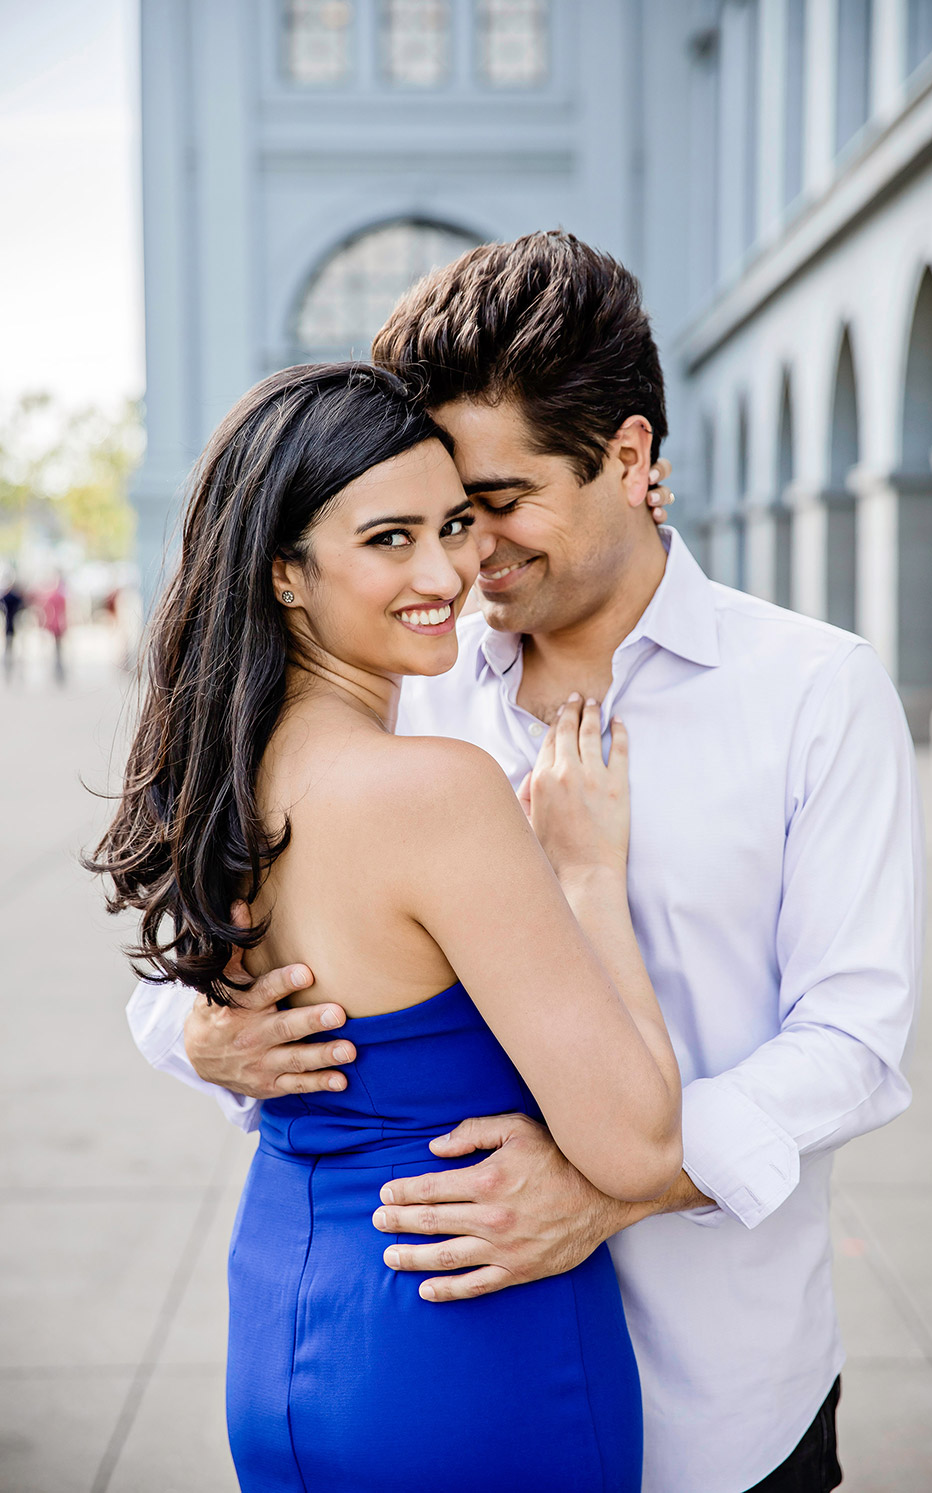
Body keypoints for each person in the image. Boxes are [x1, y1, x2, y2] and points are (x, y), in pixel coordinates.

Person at [126, 230, 922, 1493]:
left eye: (489, 508)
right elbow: (193, 971)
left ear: (628, 456)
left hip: (723, 1390)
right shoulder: (409, 676)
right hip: (454, 1351)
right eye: (429, 519)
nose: (462, 559)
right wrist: (205, 1035)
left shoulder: (811, 688)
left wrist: (619, 1186)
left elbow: (856, 1035)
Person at [92, 362, 685, 1492]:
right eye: (388, 538)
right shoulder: (431, 791)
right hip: (467, 1336)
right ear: (285, 573)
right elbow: (638, 1143)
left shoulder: (216, 780)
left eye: (455, 524)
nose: (445, 572)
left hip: (287, 1311)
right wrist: (588, 872)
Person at [39, 572, 67, 685]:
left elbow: (46, 612)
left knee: (57, 649)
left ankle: (58, 670)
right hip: (59, 625)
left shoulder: (52, 596)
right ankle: (59, 670)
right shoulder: (60, 596)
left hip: (54, 625)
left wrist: (45, 624)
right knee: (59, 649)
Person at [1, 570, 23, 680]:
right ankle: (11, 667)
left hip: (11, 624)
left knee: (9, 647)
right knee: (11, 647)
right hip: (14, 624)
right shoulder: (15, 597)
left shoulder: (7, 597)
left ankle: (10, 667)